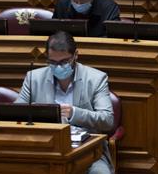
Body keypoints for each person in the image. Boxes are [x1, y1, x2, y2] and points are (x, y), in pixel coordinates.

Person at [15, 31, 114, 174]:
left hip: (88, 152)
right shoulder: (33, 78)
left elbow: (107, 120)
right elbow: (16, 114)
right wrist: (36, 112)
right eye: (53, 62)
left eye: (64, 62)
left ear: (76, 55)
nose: (59, 67)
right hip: (45, 149)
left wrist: (74, 113)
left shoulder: (96, 79)